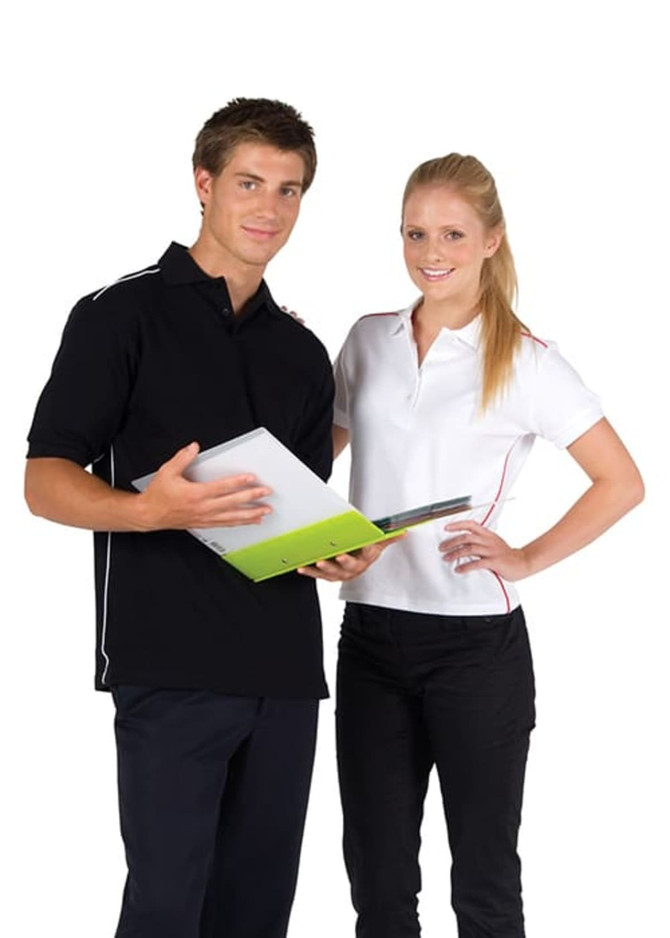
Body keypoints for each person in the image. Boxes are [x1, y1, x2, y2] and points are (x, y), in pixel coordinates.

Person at [24, 98, 382, 938]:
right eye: (251, 182)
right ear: (204, 183)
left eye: (290, 190)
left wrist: (336, 553)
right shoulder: (120, 315)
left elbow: (295, 509)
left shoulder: (300, 351)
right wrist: (149, 511)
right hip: (170, 667)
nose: (269, 208)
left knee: (257, 915)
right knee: (165, 910)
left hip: (287, 676)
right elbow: (43, 481)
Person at [299, 154, 644, 937]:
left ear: (492, 239)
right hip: (371, 639)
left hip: (476, 649)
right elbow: (318, 462)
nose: (432, 250)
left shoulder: (524, 359)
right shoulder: (368, 339)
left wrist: (523, 557)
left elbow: (621, 482)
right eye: (415, 232)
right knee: (379, 887)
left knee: (484, 886)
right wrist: (323, 541)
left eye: (453, 233)